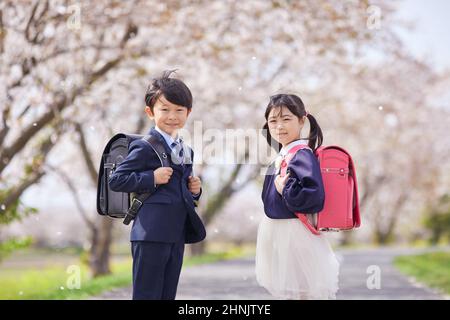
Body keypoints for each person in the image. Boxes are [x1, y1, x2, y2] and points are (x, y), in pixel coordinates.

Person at [109, 70, 206, 300]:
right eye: (165, 109)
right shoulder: (145, 146)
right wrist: (151, 177)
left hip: (176, 233)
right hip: (150, 233)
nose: (172, 116)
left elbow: (181, 193)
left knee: (167, 295)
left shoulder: (187, 150)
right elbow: (116, 180)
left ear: (188, 112)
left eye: (179, 110)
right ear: (150, 112)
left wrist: (195, 190)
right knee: (146, 295)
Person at [256, 93, 339, 300]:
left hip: (294, 233)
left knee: (302, 291)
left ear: (302, 120)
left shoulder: (301, 154)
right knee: (291, 292)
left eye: (286, 119)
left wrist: (286, 190)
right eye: (273, 121)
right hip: (279, 231)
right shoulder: (282, 155)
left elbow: (314, 196)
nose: (279, 126)